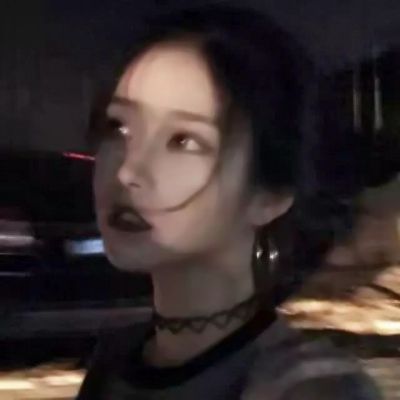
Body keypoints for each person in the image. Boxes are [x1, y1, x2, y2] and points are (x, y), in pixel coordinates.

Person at [77, 4, 380, 399]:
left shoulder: (311, 387)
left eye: (183, 140)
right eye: (119, 127)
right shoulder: (113, 363)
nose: (128, 170)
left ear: (270, 196)